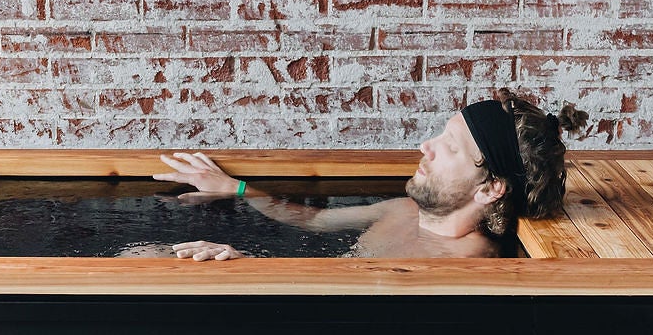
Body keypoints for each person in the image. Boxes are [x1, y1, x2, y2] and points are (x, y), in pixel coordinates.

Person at [153, 89, 589, 260]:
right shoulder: (401, 210)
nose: (426, 146)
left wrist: (250, 268)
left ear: (491, 188)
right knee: (150, 255)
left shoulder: (465, 266)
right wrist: (235, 187)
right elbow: (312, 221)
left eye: (450, 146)